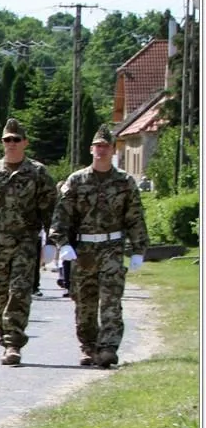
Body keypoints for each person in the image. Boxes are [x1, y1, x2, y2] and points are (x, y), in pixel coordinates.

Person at [49, 127, 148, 368]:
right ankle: (88, 346)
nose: (101, 150)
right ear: (91, 149)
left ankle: (108, 348)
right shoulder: (77, 180)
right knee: (85, 301)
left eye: (106, 146)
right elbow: (62, 216)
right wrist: (62, 245)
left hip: (112, 246)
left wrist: (138, 250)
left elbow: (134, 217)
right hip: (84, 249)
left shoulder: (124, 181)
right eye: (97, 146)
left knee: (111, 299)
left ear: (113, 150)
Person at [0, 117, 60, 366]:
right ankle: (4, 335)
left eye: (16, 140)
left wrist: (52, 241)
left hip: (26, 242)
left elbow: (51, 209)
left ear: (25, 143)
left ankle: (13, 343)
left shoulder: (38, 173)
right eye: (7, 140)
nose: (11, 144)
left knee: (18, 292)